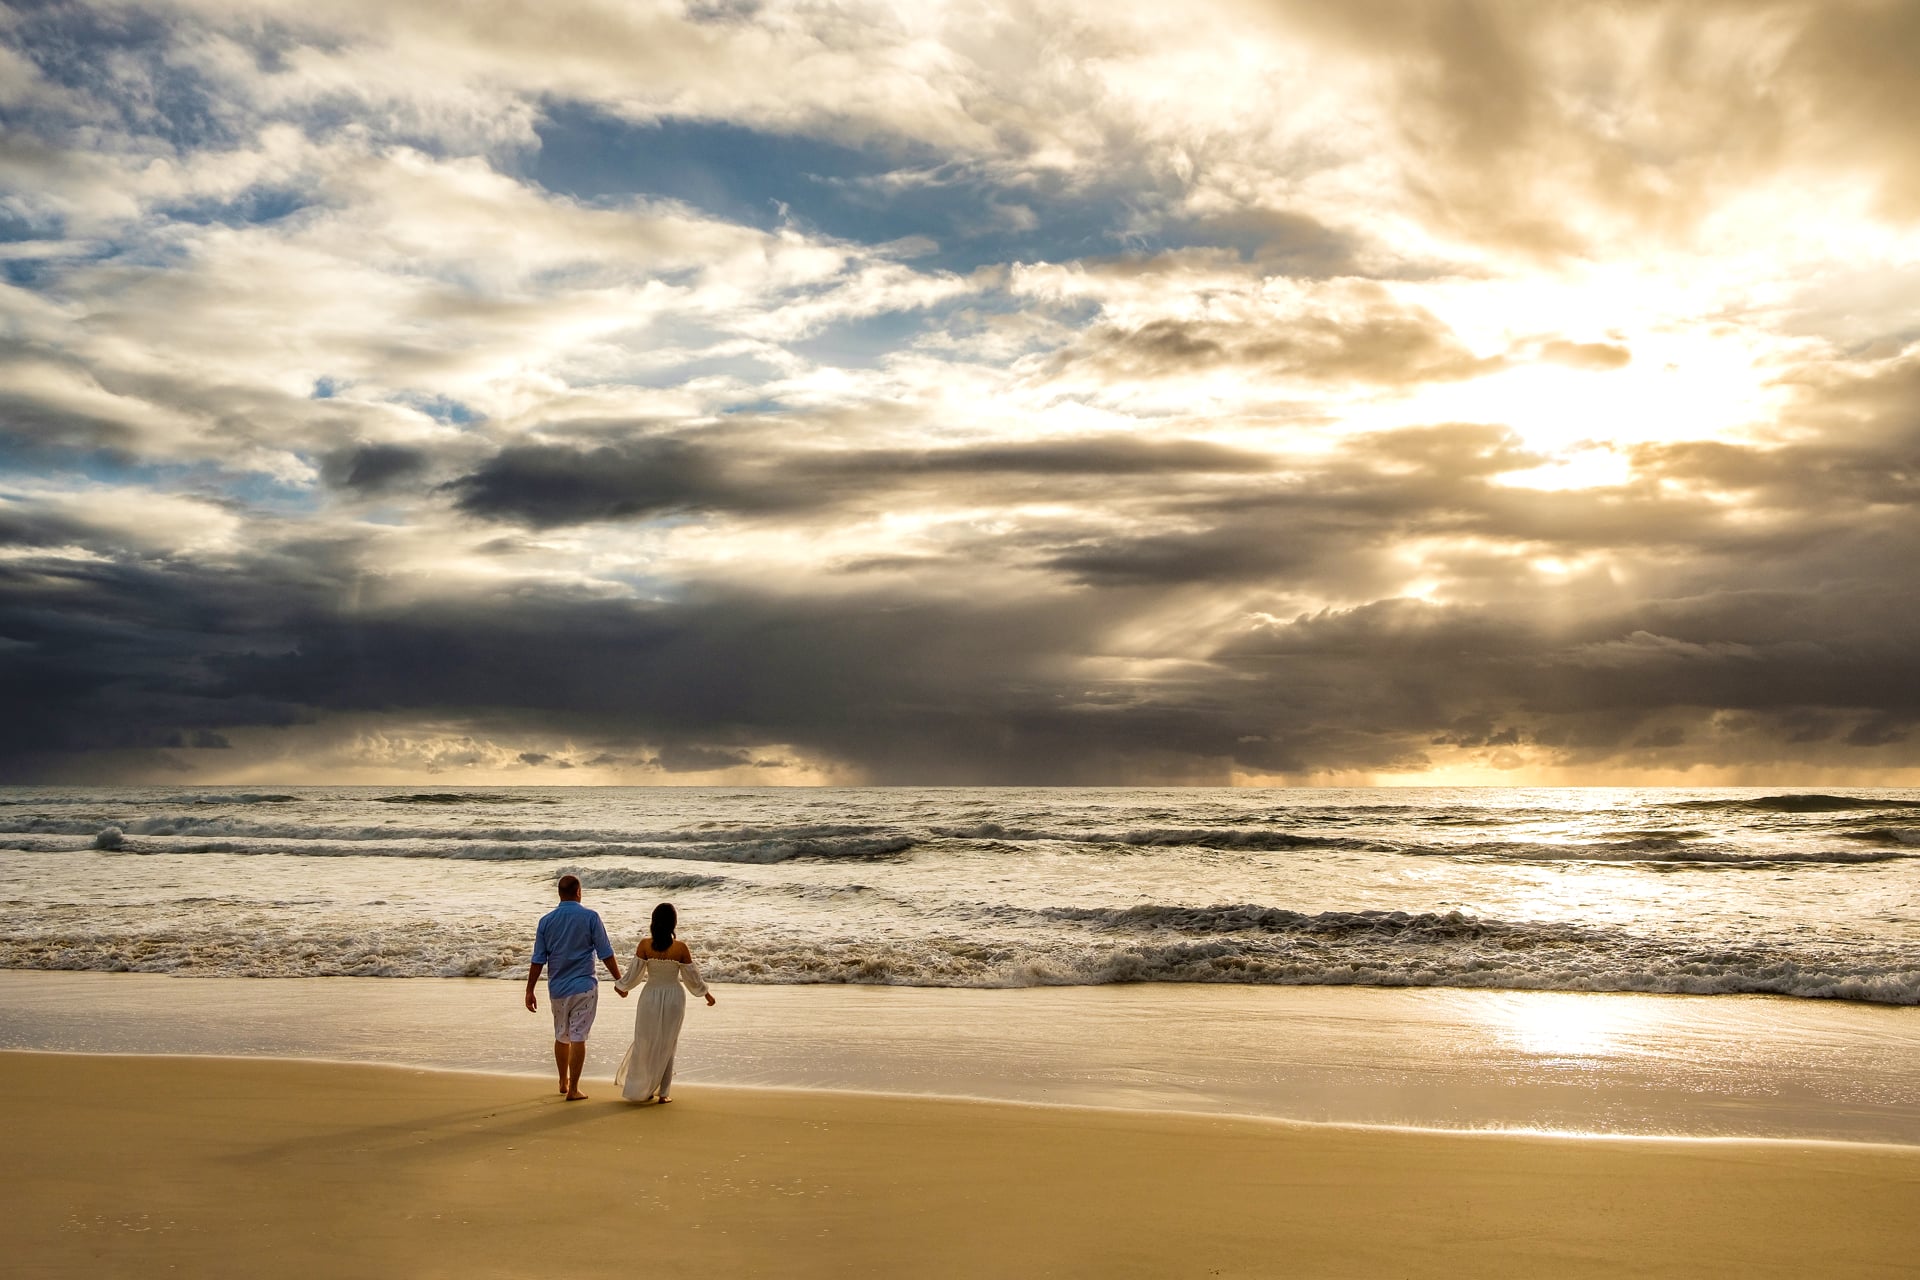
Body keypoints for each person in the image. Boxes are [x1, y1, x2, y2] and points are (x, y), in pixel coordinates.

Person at [525, 874, 625, 1100]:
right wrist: (619, 980)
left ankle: (562, 1081)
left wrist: (529, 990)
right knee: (578, 1036)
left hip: (557, 988)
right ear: (579, 892)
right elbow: (605, 953)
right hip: (584, 987)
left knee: (562, 1034)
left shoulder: (546, 921)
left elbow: (538, 959)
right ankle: (573, 1089)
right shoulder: (590, 917)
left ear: (559, 894)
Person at [612, 902, 716, 1103]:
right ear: (673, 923)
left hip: (649, 996)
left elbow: (634, 973)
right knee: (668, 1044)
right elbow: (692, 978)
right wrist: (707, 995)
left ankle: (644, 1089)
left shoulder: (644, 945)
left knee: (645, 1041)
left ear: (653, 922)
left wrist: (622, 987)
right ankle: (663, 1094)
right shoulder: (680, 948)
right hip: (674, 999)